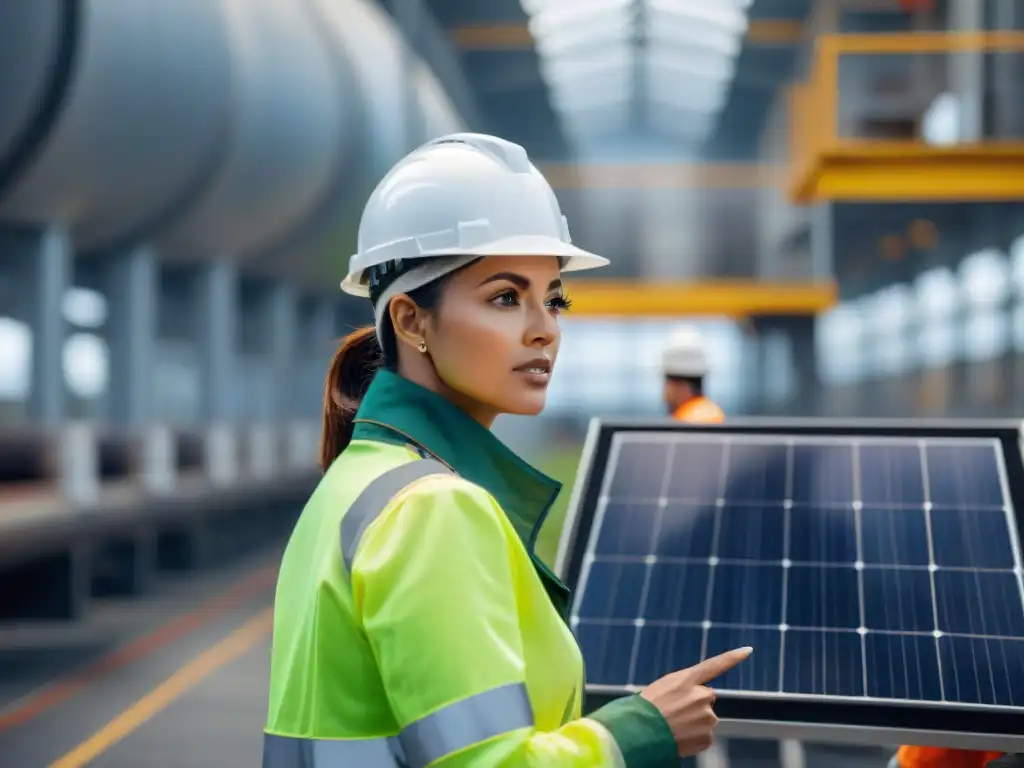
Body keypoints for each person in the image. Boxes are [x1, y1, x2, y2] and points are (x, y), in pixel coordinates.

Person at [262, 133, 753, 767]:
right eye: (504, 297)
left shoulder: (353, 484)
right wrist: (639, 731)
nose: (545, 327)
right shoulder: (433, 510)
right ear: (411, 321)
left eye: (554, 297)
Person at [662, 325, 725, 423]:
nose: (665, 392)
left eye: (667, 382)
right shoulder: (710, 411)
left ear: (682, 387)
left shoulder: (688, 420)